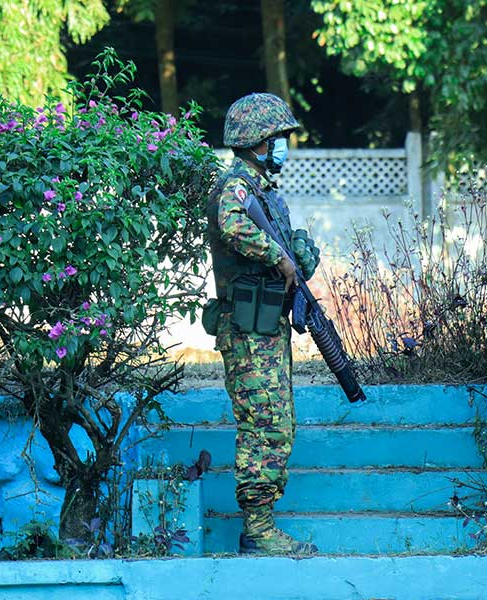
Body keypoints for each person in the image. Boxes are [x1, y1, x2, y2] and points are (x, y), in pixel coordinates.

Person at [204, 92, 321, 555]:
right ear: (256, 142)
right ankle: (258, 530)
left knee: (280, 424)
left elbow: (287, 253)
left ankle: (262, 524)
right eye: (278, 139)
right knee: (264, 425)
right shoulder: (235, 188)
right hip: (248, 330)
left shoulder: (265, 194)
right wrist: (281, 258)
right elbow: (232, 226)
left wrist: (299, 257)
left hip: (268, 327)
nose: (284, 147)